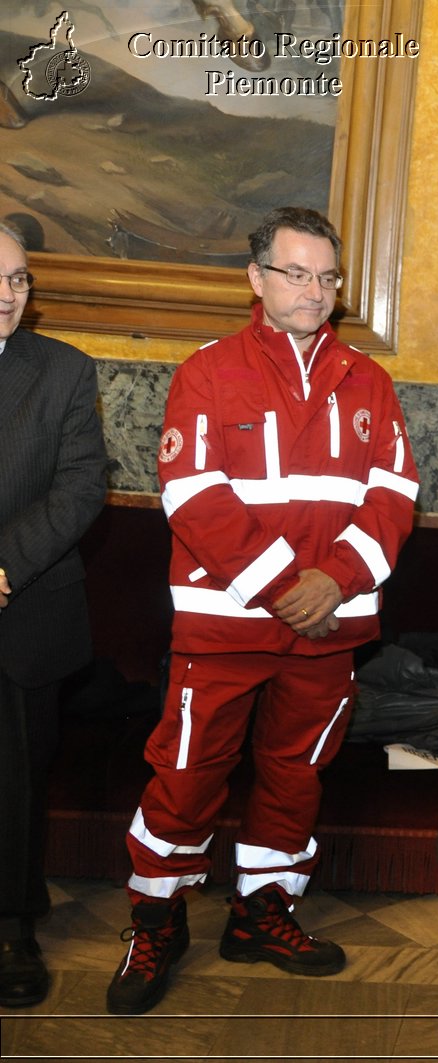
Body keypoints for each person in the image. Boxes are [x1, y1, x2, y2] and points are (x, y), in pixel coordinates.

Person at [106, 207, 418, 1015]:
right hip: (224, 628)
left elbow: (395, 497)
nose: (314, 291)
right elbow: (194, 497)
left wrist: (337, 579)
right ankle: (157, 921)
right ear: (257, 278)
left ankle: (262, 911)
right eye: (296, 273)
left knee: (295, 775)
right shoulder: (208, 371)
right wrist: (287, 586)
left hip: (330, 633)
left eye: (327, 276)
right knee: (185, 775)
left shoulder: (370, 381)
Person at [0, 222, 107, 1009]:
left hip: (23, 609)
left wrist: (2, 568)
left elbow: (80, 488)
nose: (9, 295)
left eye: (20, 280)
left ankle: (12, 926)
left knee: (12, 781)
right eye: (0, 279)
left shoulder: (65, 371)